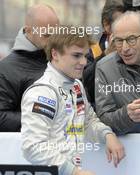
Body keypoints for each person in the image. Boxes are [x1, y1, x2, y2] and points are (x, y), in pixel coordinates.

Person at [21, 28, 125, 175]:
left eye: (85, 55)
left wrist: (107, 135)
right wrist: (73, 171)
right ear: (55, 54)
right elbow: (33, 146)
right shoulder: (42, 92)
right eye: (76, 56)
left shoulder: (76, 85)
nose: (83, 62)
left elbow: (87, 121)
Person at [0, 4, 59, 132]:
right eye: (47, 35)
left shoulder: (64, 60)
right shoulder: (7, 69)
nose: (53, 41)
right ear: (28, 31)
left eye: (56, 33)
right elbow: (1, 117)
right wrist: (40, 120)